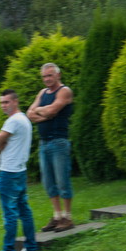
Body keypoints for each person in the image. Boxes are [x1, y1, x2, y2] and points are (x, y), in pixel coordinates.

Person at [0, 89, 38, 251]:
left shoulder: (13, 121)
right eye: (1, 103)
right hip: (20, 171)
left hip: (9, 172)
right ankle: (30, 247)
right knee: (24, 211)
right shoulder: (24, 119)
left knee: (10, 212)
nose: (3, 106)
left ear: (15, 101)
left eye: (6, 102)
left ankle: (8, 249)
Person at [27, 62, 74, 232]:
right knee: (48, 182)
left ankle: (67, 218)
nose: (47, 79)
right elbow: (29, 114)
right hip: (44, 143)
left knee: (62, 180)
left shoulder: (64, 91)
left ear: (58, 75)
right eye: (44, 76)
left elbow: (52, 111)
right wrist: (44, 113)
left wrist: (41, 112)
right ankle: (57, 216)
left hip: (59, 142)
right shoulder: (42, 92)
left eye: (50, 75)